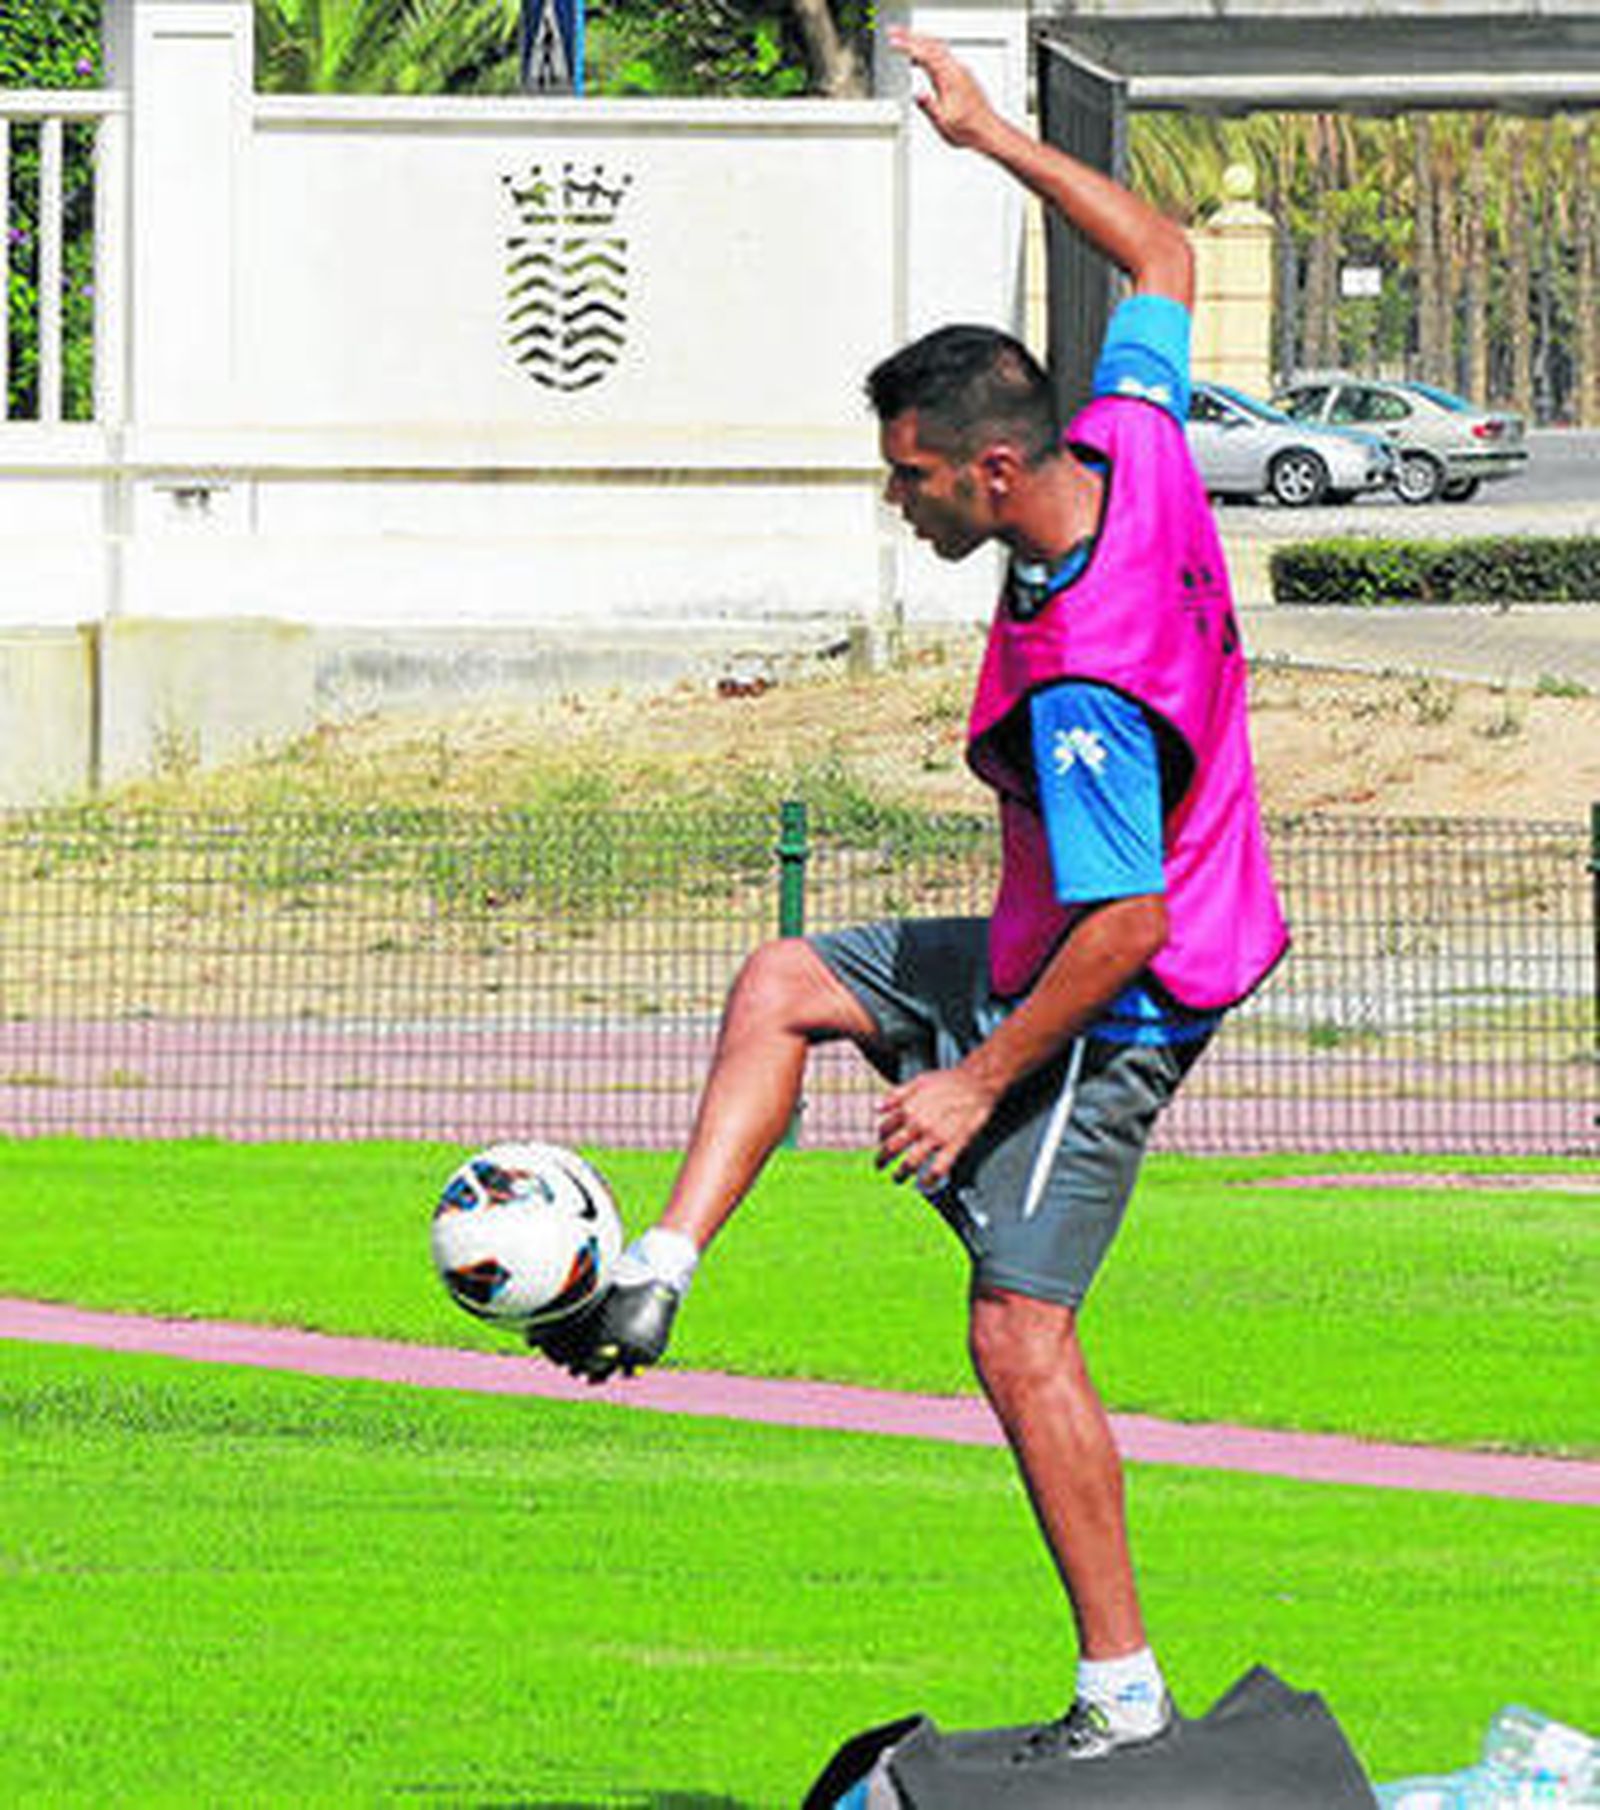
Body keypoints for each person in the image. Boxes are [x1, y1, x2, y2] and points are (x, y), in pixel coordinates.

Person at [533, 29, 1289, 1762]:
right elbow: (1164, 258)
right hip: (1053, 941)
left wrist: (971, 1078)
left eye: (910, 476)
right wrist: (994, 138)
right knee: (790, 975)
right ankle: (654, 1269)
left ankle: (1123, 1695)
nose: (899, 501)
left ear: (992, 471)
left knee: (1019, 1329)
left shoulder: (1086, 681)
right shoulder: (1133, 443)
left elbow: (1130, 929)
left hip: (1109, 1005)